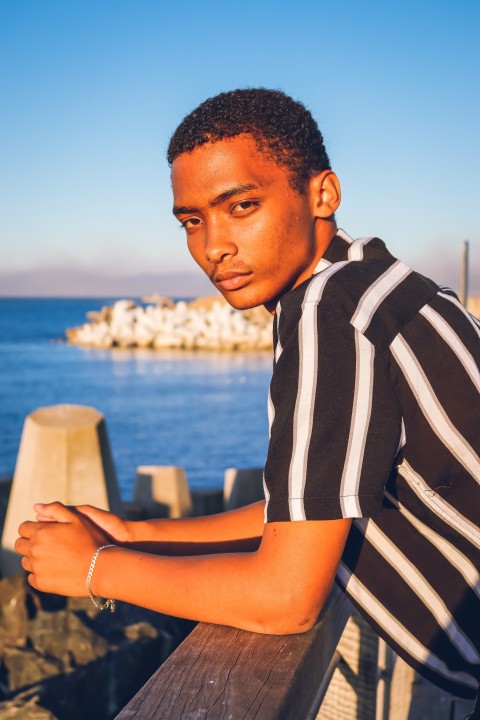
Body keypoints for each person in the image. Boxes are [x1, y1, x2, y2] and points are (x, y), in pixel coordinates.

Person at [16, 89, 480, 716]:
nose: (213, 246)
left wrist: (97, 569)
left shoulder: (328, 312)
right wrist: (135, 535)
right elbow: (307, 509)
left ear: (323, 194)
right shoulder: (395, 287)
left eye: (241, 206)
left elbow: (286, 600)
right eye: (191, 220)